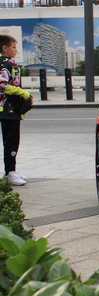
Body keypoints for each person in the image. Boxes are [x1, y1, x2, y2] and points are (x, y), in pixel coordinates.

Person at [0, 34, 33, 186]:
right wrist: (24, 93)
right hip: (9, 109)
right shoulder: (8, 64)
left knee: (10, 140)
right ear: (4, 48)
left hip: (6, 108)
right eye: (13, 47)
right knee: (12, 141)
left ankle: (10, 170)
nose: (16, 50)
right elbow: (3, 85)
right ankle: (10, 172)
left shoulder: (4, 63)